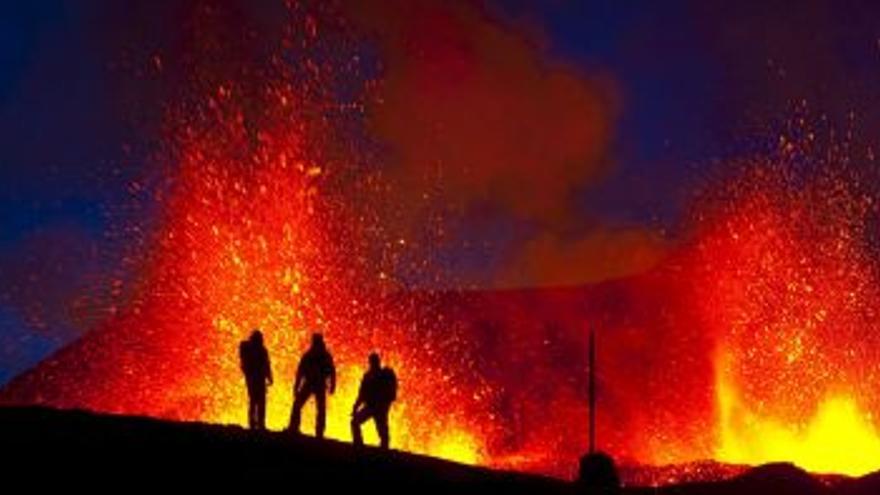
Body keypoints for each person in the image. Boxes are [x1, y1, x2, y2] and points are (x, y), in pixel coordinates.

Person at [288, 333, 336, 438]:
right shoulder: (322, 355)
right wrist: (332, 385)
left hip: (313, 383)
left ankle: (295, 428)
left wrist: (297, 386)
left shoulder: (313, 354)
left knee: (300, 405)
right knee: (319, 409)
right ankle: (317, 433)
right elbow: (332, 371)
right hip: (315, 384)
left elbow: (301, 371)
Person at [351, 352, 397, 449]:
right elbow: (362, 393)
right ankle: (359, 446)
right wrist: (355, 406)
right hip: (373, 407)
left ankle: (382, 450)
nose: (372, 363)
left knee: (382, 431)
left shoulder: (382, 375)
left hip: (378, 407)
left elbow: (362, 394)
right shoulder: (369, 376)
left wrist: (356, 406)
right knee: (355, 422)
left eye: (373, 361)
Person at [239, 330, 273, 430]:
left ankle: (255, 424)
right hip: (256, 378)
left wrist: (269, 377)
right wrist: (269, 377)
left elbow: (266, 364)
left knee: (255, 400)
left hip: (253, 378)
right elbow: (266, 365)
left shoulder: (249, 348)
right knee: (258, 401)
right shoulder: (257, 349)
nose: (262, 341)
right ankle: (257, 424)